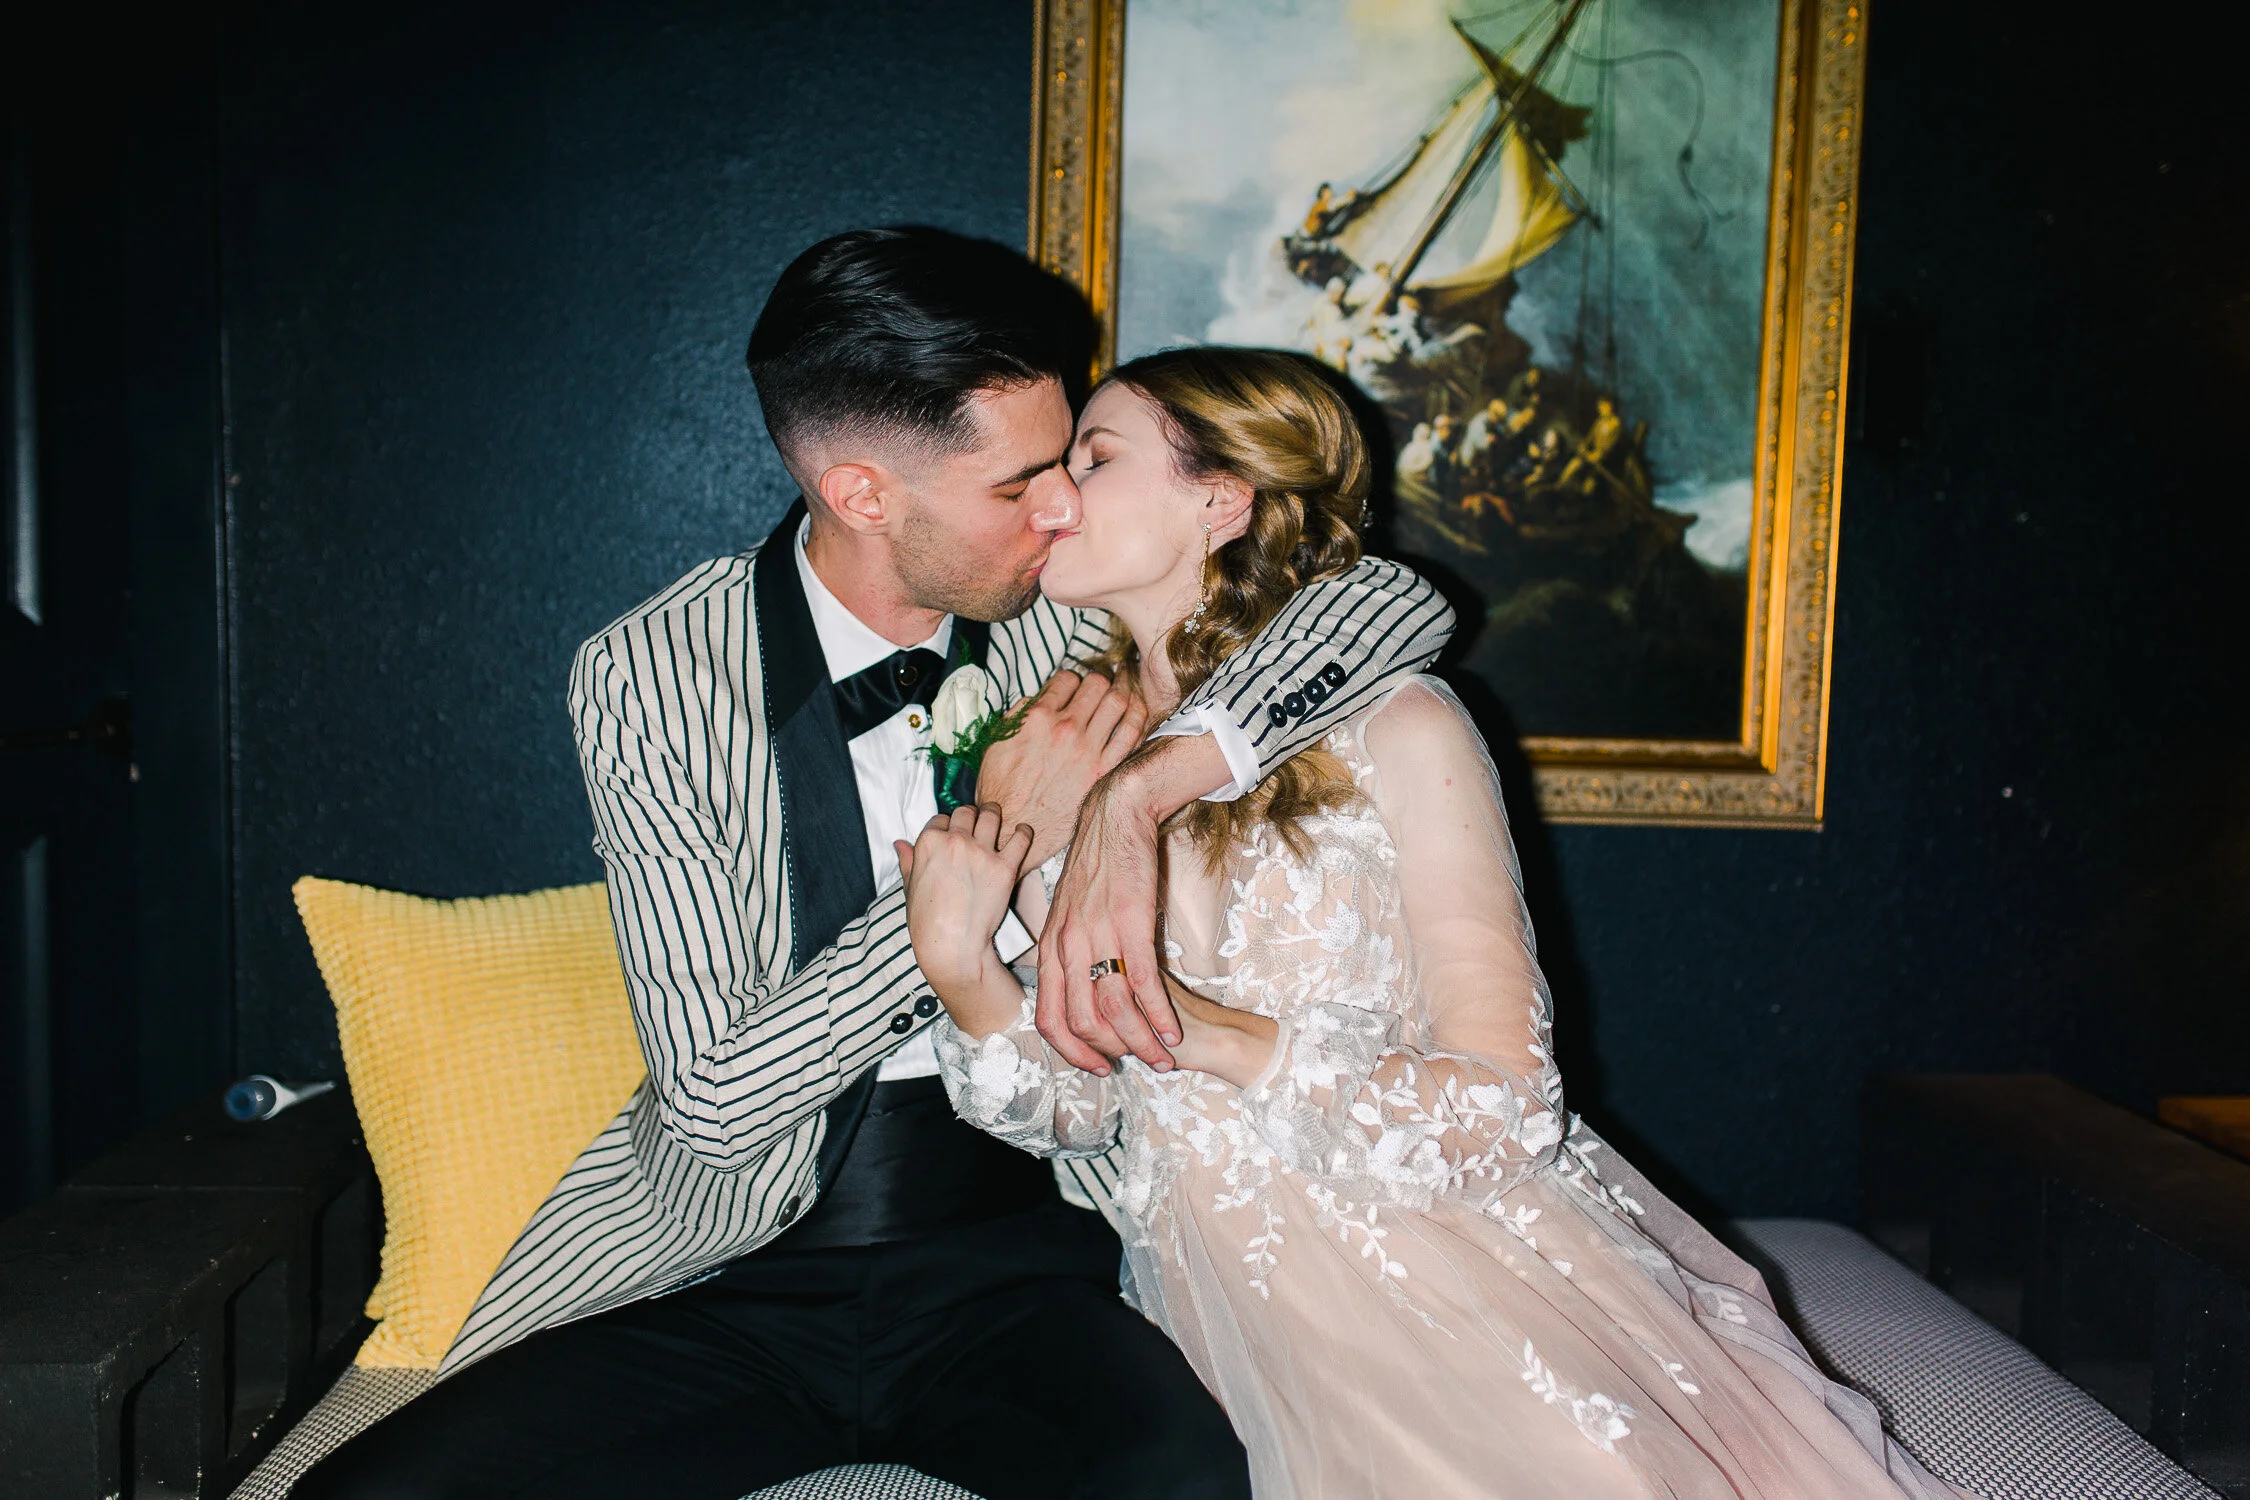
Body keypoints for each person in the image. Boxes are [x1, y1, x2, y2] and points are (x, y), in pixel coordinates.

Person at [296, 232, 1454, 1499]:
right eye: (1019, 484)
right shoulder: (656, 673)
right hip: (728, 1276)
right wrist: (986, 857)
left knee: (1177, 1478)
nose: (1062, 507)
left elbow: (1391, 605)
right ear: (863, 494)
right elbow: (714, 1103)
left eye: (1068, 462)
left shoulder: (1069, 605)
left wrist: (1140, 792)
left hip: (1025, 1252)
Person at [899, 346, 1974, 1500]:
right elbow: (1078, 1111)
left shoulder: (1401, 729)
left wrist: (1211, 1035)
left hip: (1451, 1277)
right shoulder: (1064, 747)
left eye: (1095, 459)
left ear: (1221, 499)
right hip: (1214, 1323)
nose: (1055, 495)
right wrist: (964, 972)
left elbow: (1510, 1110)